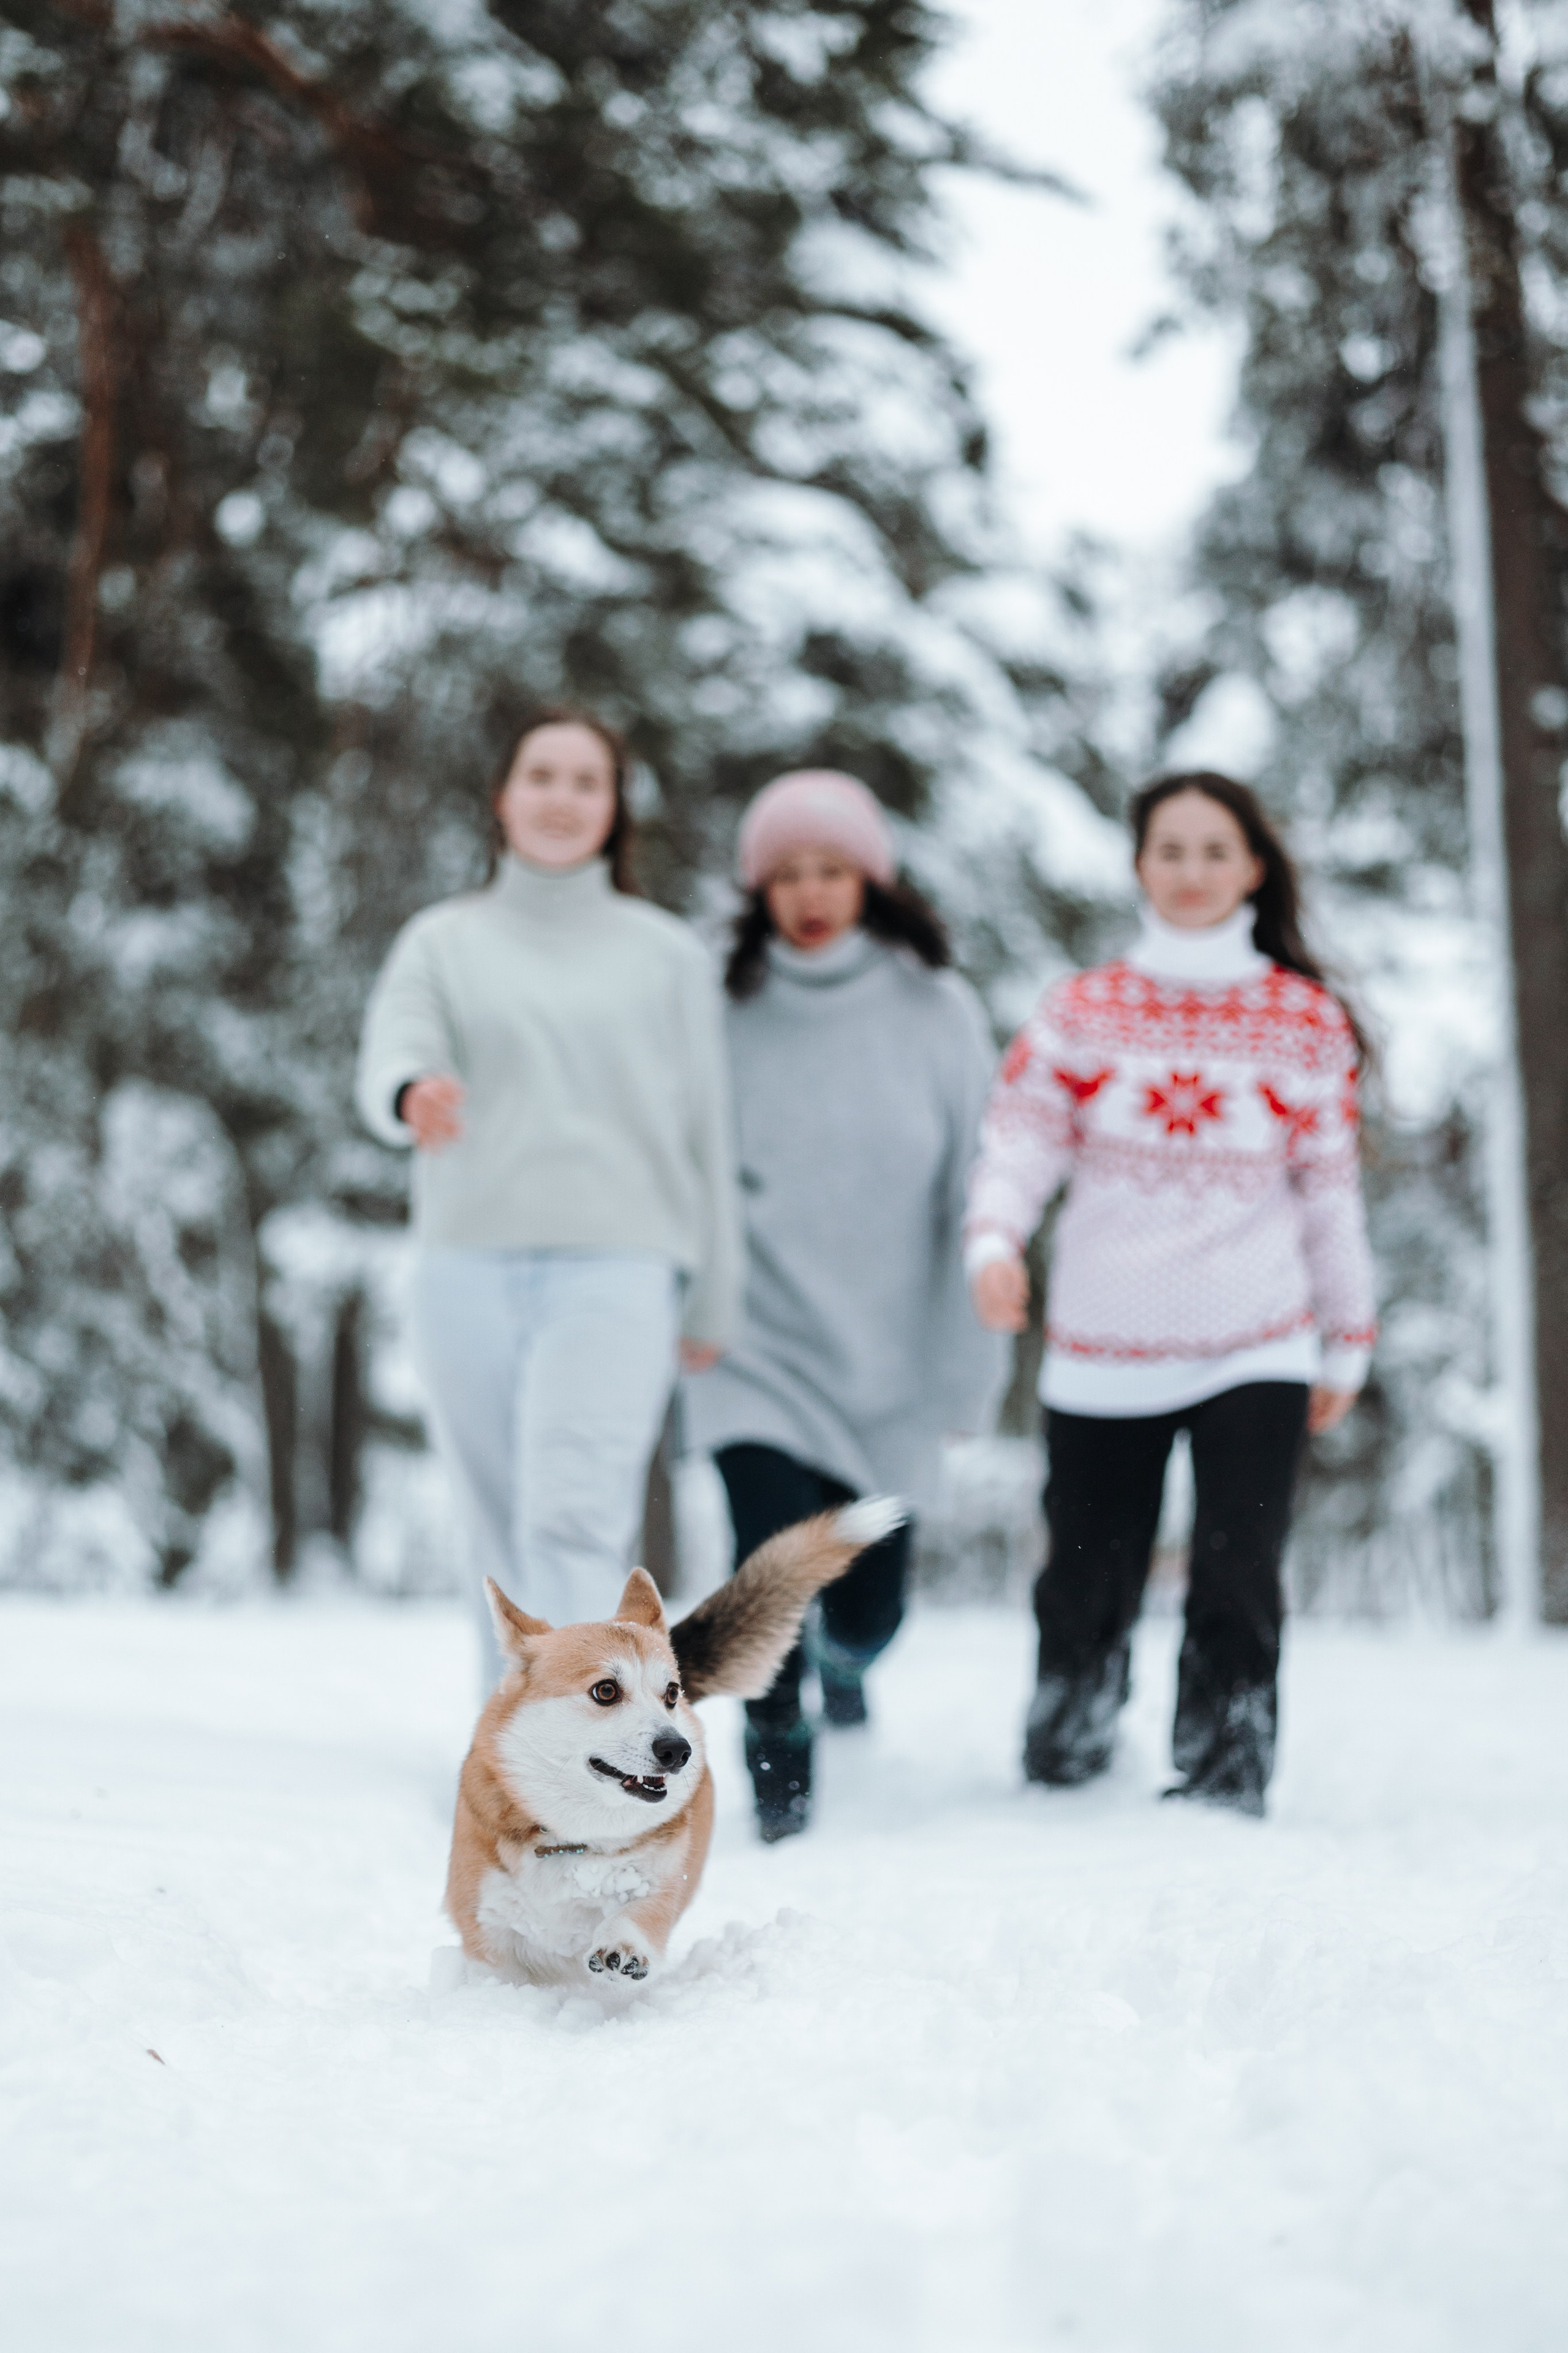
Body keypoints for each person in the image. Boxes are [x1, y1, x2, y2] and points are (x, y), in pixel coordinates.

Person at [966, 771, 1376, 1816]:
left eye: (1214, 850)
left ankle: (1226, 1773)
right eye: (1170, 850)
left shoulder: (1305, 1022)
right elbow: (1019, 1141)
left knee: (1240, 1573)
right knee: (1086, 1574)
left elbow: (1332, 1195)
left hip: (1260, 1341)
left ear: (1251, 866)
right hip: (1103, 1343)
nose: (1192, 871)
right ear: (1140, 864)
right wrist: (994, 1240)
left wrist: (1347, 1338)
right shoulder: (1081, 1010)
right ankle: (1067, 1746)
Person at [356, 709, 740, 1684]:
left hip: (619, 1265)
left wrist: (714, 1290)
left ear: (614, 809)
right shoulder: (444, 941)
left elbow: (709, 1131)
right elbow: (394, 1046)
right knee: (493, 1518)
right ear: (503, 797)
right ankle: (508, 1730)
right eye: (542, 776)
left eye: (586, 781)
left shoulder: (667, 956)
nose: (562, 799)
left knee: (573, 1508)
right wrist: (413, 1092)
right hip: (466, 1261)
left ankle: (576, 1739)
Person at [684, 769, 1006, 1841]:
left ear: (872, 880)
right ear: (758, 889)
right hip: (755, 1345)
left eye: (832, 870)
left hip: (894, 1362)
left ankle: (844, 1664)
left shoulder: (937, 1007)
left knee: (868, 1615)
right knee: (768, 1567)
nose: (811, 893)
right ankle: (781, 1794)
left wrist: (970, 1368)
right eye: (787, 874)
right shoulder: (716, 1003)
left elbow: (980, 1188)